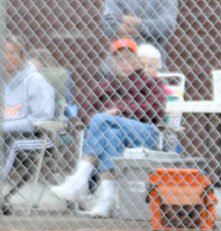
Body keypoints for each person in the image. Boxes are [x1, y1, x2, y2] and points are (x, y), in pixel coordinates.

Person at [50, 38, 166, 217]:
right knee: (111, 134)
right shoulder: (104, 85)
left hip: (144, 131)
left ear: (136, 60)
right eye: (119, 59)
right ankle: (107, 197)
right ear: (112, 63)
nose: (124, 63)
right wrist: (107, 118)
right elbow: (86, 114)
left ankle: (81, 178)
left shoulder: (149, 82)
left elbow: (156, 110)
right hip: (112, 134)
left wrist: (119, 111)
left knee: (102, 119)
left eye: (128, 58)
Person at [2, 35, 56, 215]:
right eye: (3, 52)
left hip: (38, 138)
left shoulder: (35, 80)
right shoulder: (3, 82)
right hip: (6, 134)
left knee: (11, 142)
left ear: (22, 56)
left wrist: (6, 126)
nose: (7, 57)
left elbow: (40, 118)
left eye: (13, 53)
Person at [101, 0, 179, 74]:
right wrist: (149, 28)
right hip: (119, 69)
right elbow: (109, 26)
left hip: (151, 69)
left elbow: (167, 26)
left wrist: (139, 24)